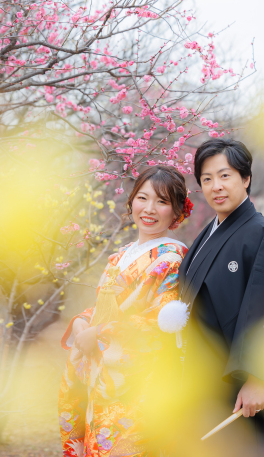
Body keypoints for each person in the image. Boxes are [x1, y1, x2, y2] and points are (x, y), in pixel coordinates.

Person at [58, 166, 193, 457]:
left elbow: (160, 322)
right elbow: (104, 309)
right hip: (101, 376)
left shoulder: (172, 258)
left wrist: (100, 333)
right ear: (131, 201)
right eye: (142, 198)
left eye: (162, 201)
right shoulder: (121, 255)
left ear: (177, 211)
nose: (149, 209)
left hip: (138, 385)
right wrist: (83, 323)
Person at [175, 138, 264, 457]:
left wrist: (258, 377)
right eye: (207, 179)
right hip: (202, 381)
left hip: (238, 387)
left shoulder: (262, 235)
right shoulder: (208, 233)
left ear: (246, 178)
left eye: (225, 175)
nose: (216, 186)